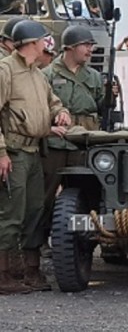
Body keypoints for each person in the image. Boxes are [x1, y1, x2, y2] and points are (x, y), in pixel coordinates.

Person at [0, 20, 72, 293]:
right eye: (43, 39)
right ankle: (4, 275)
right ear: (31, 43)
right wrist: (1, 153)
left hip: (33, 151)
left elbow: (53, 101)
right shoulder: (6, 70)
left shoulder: (36, 73)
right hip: (15, 152)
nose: (46, 44)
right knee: (10, 213)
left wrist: (59, 112)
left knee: (34, 212)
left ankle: (29, 271)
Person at [41, 26, 113, 251]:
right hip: (55, 141)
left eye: (91, 45)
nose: (90, 50)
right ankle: (40, 242)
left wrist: (111, 96)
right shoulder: (48, 74)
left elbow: (103, 108)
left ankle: (87, 239)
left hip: (85, 140)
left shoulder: (92, 75)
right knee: (46, 194)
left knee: (88, 189)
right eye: (86, 45)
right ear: (70, 47)